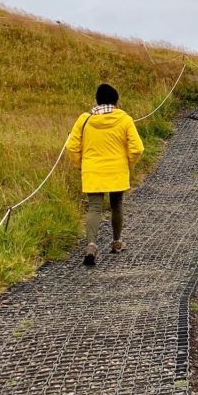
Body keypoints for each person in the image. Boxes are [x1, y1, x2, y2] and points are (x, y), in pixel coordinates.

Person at [66, 83, 145, 266]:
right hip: (117, 170)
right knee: (116, 206)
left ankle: (91, 245)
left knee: (94, 208)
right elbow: (137, 148)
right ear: (116, 101)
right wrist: (128, 164)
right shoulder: (125, 119)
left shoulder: (84, 120)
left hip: (92, 170)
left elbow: (72, 146)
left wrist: (80, 164)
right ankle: (116, 242)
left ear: (97, 100)